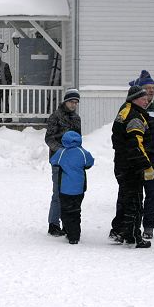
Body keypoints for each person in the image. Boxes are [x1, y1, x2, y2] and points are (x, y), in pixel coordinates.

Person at [109, 85, 154, 248]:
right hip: (131, 166)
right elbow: (136, 143)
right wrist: (146, 165)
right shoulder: (134, 116)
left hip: (122, 163)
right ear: (134, 99)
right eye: (143, 99)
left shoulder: (125, 111)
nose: (146, 101)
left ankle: (124, 232)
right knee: (135, 202)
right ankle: (134, 237)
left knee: (126, 200)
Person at [129, 70, 154, 239]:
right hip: (134, 156)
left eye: (153, 88)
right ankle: (132, 225)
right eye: (147, 87)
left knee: (151, 192)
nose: (151, 91)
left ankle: (149, 226)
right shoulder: (134, 108)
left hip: (152, 156)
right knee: (134, 192)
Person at [44, 88, 81, 237]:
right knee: (58, 193)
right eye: (72, 101)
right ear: (65, 101)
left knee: (70, 194)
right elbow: (49, 138)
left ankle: (67, 224)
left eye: (76, 102)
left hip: (72, 163)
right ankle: (53, 224)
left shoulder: (77, 118)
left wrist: (78, 155)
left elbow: (78, 139)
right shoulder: (55, 117)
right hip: (58, 161)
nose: (74, 105)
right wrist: (61, 151)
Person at [49, 131, 95, 244]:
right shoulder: (82, 152)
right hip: (79, 189)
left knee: (65, 211)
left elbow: (53, 161)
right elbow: (90, 162)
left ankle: (70, 232)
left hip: (64, 189)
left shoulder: (61, 152)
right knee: (76, 211)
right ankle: (75, 234)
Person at [0, 52, 12, 122]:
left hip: (4, 87)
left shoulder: (5, 65)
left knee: (5, 102)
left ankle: (8, 117)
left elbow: (9, 77)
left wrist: (8, 87)